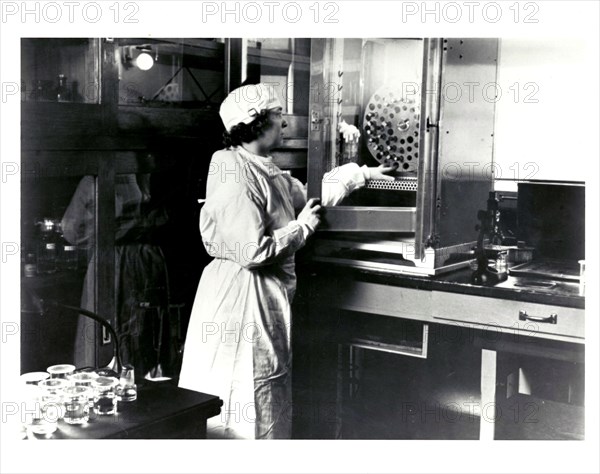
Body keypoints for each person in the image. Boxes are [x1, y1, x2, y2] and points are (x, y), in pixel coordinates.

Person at [177, 83, 394, 439]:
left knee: (262, 388)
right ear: (258, 122)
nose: (285, 124)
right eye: (279, 116)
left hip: (263, 296)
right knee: (240, 390)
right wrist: (301, 229)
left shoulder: (265, 168)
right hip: (240, 297)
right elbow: (252, 251)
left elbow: (312, 198)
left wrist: (362, 173)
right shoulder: (231, 169)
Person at [61, 172, 173, 380]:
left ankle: (145, 387)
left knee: (147, 332)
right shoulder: (95, 179)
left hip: (147, 262)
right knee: (107, 330)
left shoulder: (153, 175)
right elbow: (71, 229)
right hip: (111, 262)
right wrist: (110, 233)